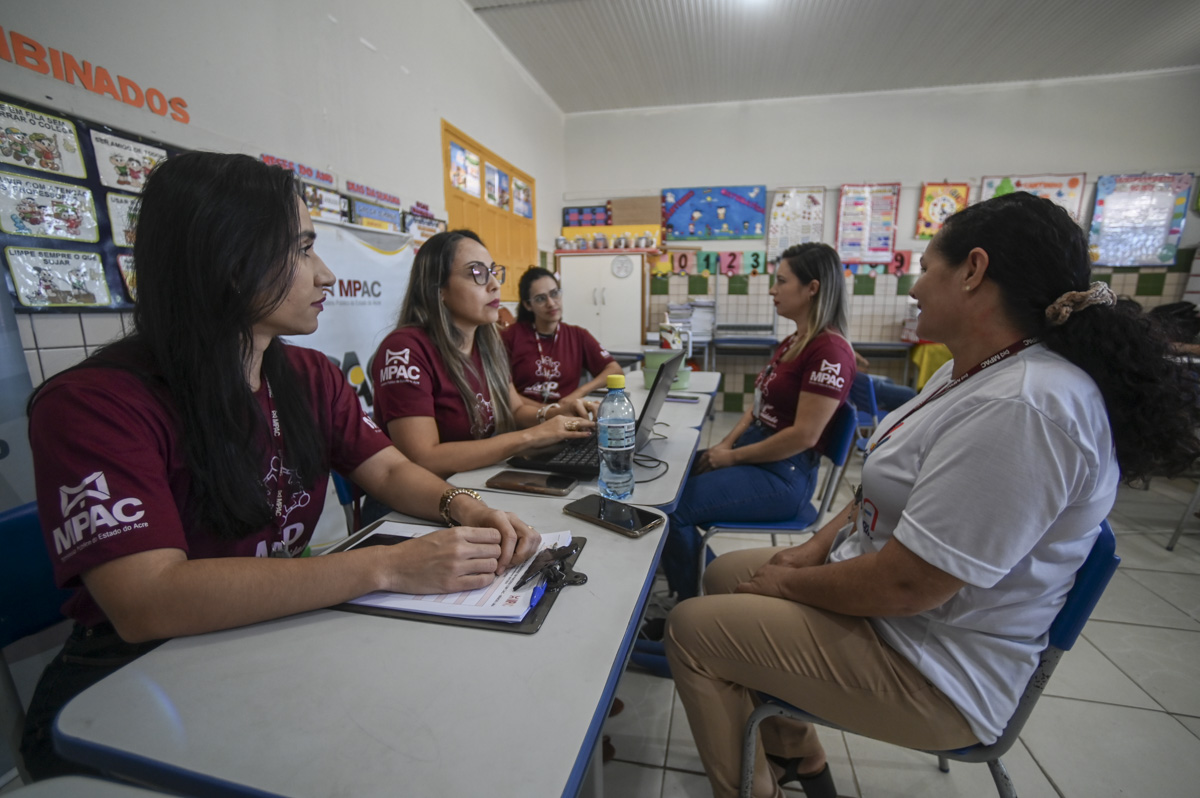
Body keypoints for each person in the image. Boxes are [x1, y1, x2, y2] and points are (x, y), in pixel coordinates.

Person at [20, 153, 541, 780]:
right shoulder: (93, 404)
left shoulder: (309, 374)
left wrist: (464, 506)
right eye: (302, 250)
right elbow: (147, 600)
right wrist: (388, 565)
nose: (325, 275)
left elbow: (389, 471)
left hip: (266, 639)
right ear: (228, 256)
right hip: (131, 683)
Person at [664, 192, 1200, 798]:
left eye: (924, 269)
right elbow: (883, 487)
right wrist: (811, 550)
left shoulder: (1024, 407)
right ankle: (796, 755)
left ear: (973, 270)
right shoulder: (970, 369)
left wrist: (789, 585)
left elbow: (908, 586)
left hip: (936, 665)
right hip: (901, 616)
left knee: (690, 629)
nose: (915, 288)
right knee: (725, 574)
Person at [660, 242, 856, 601]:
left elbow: (804, 435)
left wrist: (731, 457)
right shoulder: (795, 341)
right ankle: (692, 573)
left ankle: (701, 601)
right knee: (663, 479)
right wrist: (724, 447)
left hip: (784, 474)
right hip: (757, 452)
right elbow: (757, 407)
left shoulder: (829, 352)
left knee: (674, 508)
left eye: (781, 281)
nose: (771, 290)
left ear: (812, 288)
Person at [369, 231, 595, 484]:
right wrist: (531, 437)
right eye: (477, 273)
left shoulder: (488, 342)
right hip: (418, 497)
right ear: (438, 289)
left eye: (493, 272)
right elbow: (422, 459)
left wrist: (555, 414)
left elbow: (515, 409)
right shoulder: (404, 350)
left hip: (470, 481)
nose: (495, 285)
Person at [501, 266, 623, 409]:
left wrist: (578, 393)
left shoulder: (578, 336)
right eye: (540, 299)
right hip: (524, 418)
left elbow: (615, 370)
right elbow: (500, 388)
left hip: (566, 417)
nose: (551, 303)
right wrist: (547, 412)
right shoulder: (510, 336)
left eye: (554, 294)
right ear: (528, 305)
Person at [853, 349, 917, 411]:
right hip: (858, 384)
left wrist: (861, 361)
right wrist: (861, 363)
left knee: (889, 381)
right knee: (910, 395)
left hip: (858, 381)